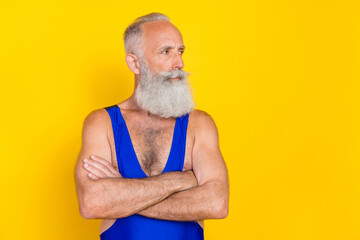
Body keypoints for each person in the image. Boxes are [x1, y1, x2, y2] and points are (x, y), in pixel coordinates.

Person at [75, 12, 229, 240]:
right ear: (135, 63)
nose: (179, 63)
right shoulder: (103, 123)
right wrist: (180, 180)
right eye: (166, 51)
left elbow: (217, 203)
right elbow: (92, 203)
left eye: (180, 51)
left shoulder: (199, 124)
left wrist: (122, 193)